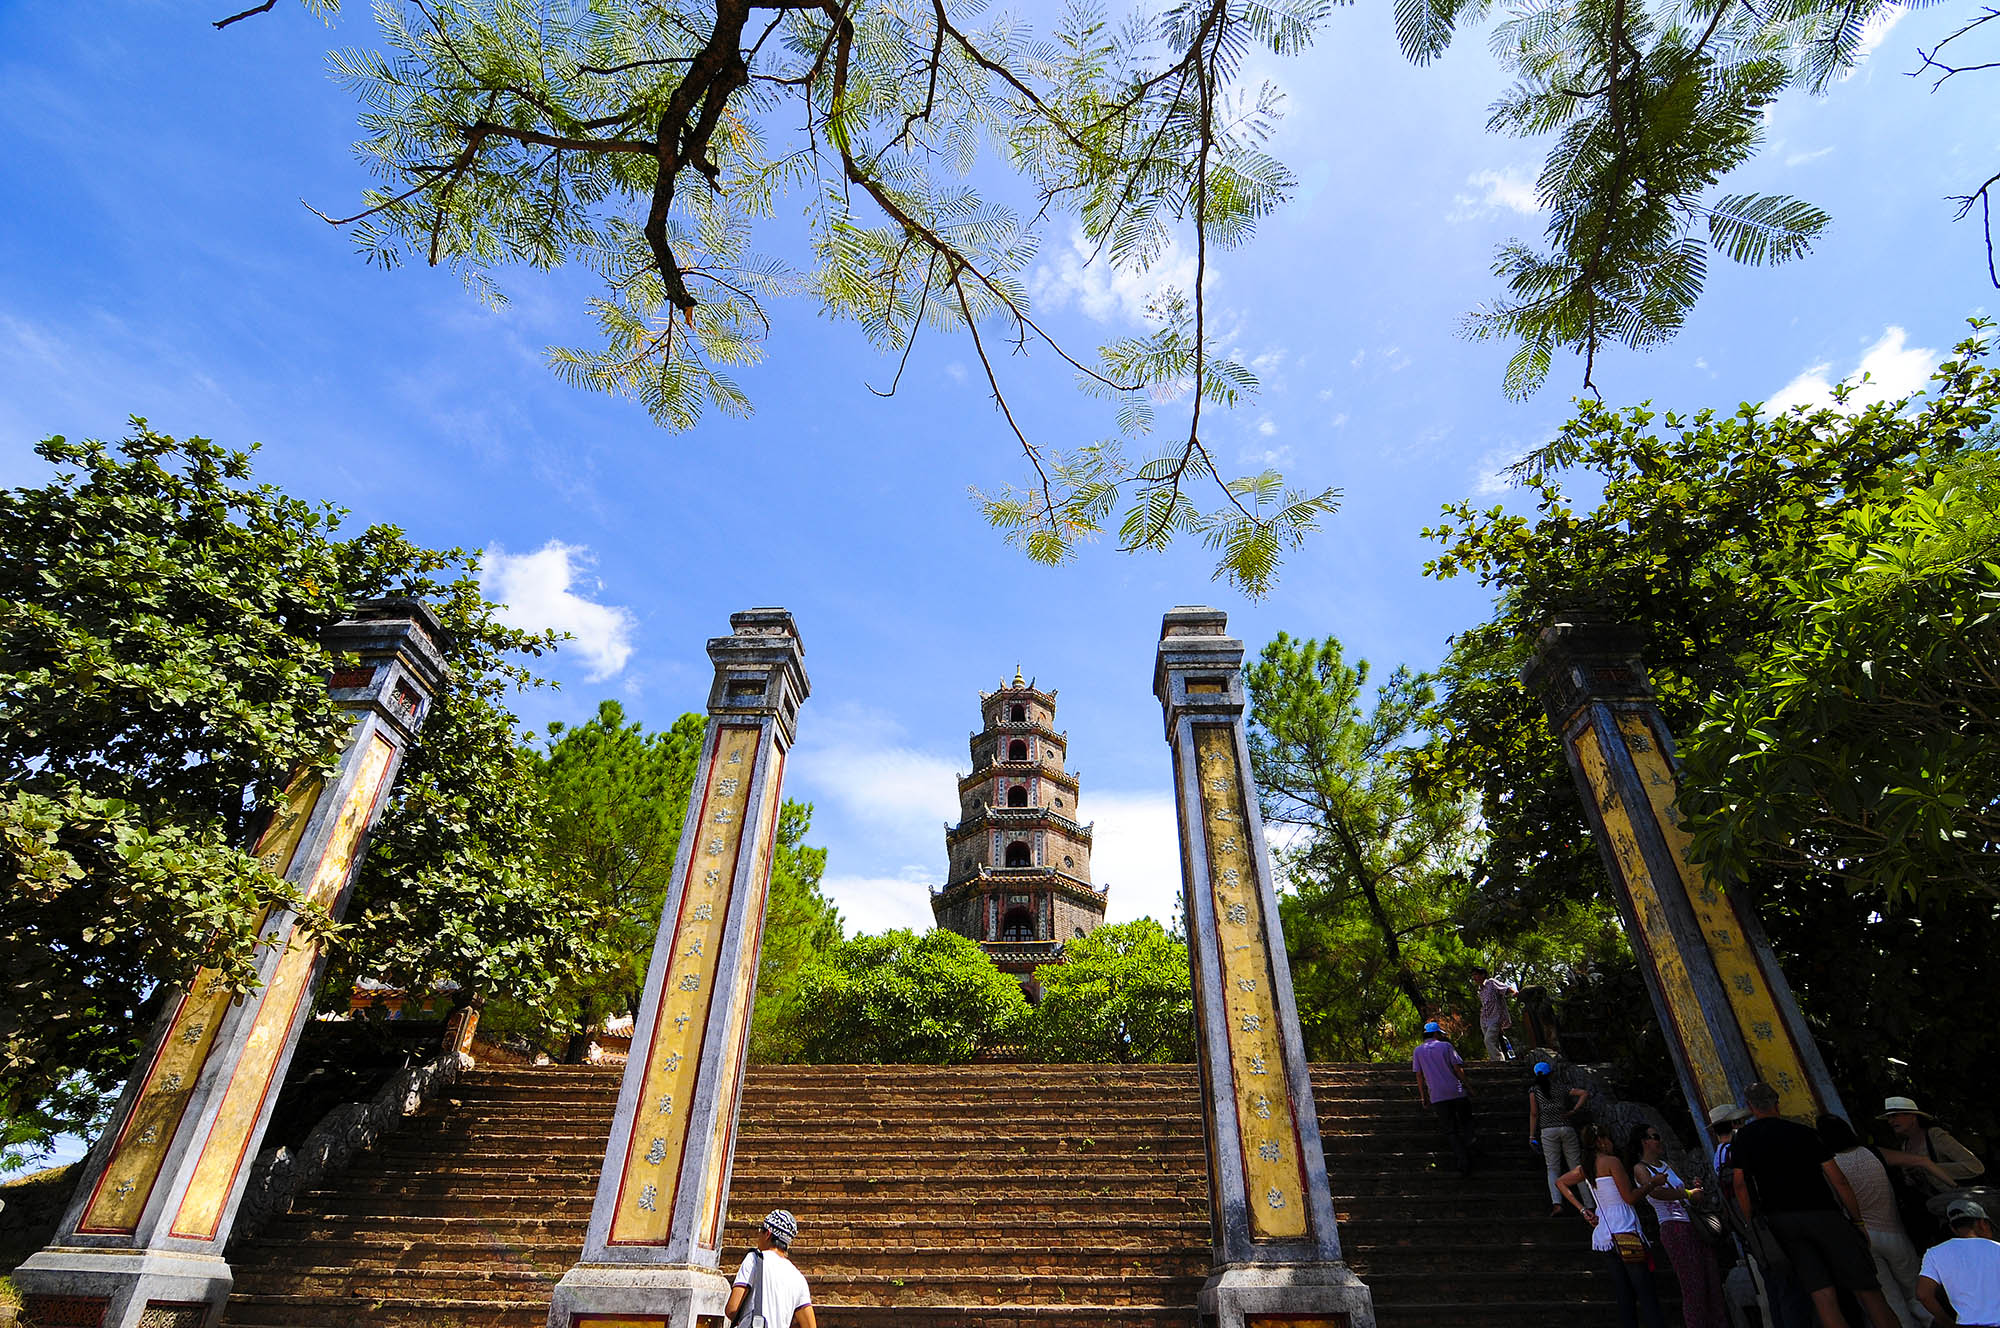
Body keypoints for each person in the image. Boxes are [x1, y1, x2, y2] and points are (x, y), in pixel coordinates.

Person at [1726, 1081, 1902, 1328]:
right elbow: (1838, 1180)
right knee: (1867, 1289)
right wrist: (1857, 1220)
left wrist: (1751, 1224)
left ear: (1751, 1107)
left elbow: (1740, 1184)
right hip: (1824, 1213)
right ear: (1777, 1104)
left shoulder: (1744, 1138)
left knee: (1822, 1294)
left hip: (1782, 1221)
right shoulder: (1804, 1132)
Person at [1820, 1113, 1958, 1328]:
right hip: (1894, 1233)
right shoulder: (1875, 1153)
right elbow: (1922, 1161)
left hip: (1863, 1238)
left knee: (1890, 1300)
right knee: (1916, 1292)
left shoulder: (1829, 1167)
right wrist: (1955, 1188)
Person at [1557, 1122, 1668, 1328]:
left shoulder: (1587, 1167)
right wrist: (1652, 1183)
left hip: (1605, 1235)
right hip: (1625, 1229)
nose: (1610, 1142)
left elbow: (1560, 1182)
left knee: (1624, 1295)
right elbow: (1629, 1197)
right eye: (1607, 1138)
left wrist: (1583, 1210)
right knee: (1646, 1293)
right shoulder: (1611, 1162)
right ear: (1600, 1141)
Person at [1634, 1122, 1727, 1328]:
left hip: (1692, 1223)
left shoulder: (1666, 1165)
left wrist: (1694, 1191)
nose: (1659, 1141)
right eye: (1655, 1137)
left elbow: (1685, 1193)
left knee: (1712, 1282)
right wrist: (1687, 1193)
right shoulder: (1641, 1169)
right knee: (1693, 1286)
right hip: (1673, 1226)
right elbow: (1656, 1193)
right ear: (1644, 1142)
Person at [1917, 1198, 2000, 1327]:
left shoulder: (1934, 1253)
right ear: (1982, 1223)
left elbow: (1923, 1294)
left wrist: (1948, 1323)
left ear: (1953, 1228)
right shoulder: (1997, 1248)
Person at [728, 1209, 816, 1328]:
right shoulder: (799, 1278)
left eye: (761, 1230)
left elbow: (732, 1309)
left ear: (768, 1234)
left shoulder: (755, 1259)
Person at [1529, 1061, 1592, 1216]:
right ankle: (1589, 1202)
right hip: (1566, 1126)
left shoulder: (1534, 1090)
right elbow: (1584, 1093)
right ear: (1551, 1073)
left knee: (1552, 1168)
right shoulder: (1560, 1087)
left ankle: (1557, 1203)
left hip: (1548, 1130)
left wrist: (1531, 1135)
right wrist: (1573, 1111)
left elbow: (1534, 1113)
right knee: (1576, 1166)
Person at [1413, 1020, 1475, 1175]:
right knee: (1466, 1121)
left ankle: (1463, 1160)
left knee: (1450, 1130)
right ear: (1435, 1034)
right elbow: (1458, 1069)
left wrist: (1423, 1096)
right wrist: (1469, 1087)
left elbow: (1419, 1076)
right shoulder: (1446, 1046)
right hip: (1457, 1091)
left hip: (1437, 1095)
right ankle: (1471, 1143)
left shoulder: (1418, 1051)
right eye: (1439, 1034)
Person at [1474, 966, 1518, 1060]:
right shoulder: (1479, 990)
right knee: (1493, 1042)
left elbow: (1505, 988)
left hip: (1495, 1018)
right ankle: (1498, 1060)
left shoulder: (1491, 983)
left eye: (1476, 974)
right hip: (1484, 1020)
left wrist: (1514, 992)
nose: (1474, 977)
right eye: (1473, 975)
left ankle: (1498, 1062)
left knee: (1488, 1040)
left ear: (1483, 975)